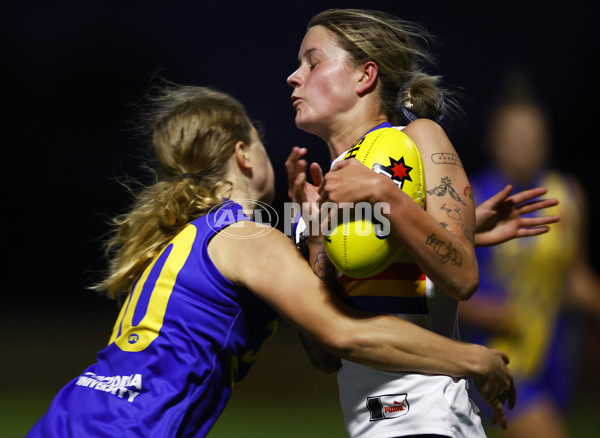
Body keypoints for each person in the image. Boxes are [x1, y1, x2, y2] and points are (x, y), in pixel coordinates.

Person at [26, 84, 516, 438]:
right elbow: (341, 331)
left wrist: (449, 226)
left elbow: (326, 261)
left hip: (73, 419)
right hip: (126, 430)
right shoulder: (248, 237)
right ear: (243, 156)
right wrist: (471, 358)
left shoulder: (188, 235)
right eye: (260, 141)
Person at [285, 9, 557, 438]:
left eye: (312, 62)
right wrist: (314, 233)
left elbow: (463, 277)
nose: (293, 77)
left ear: (364, 76)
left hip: (431, 420)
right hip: (367, 427)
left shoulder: (419, 139)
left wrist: (386, 195)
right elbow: (325, 353)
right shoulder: (320, 190)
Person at [458, 73, 600, 438]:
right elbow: (440, 288)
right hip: (500, 360)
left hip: (554, 355)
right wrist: (484, 309)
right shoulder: (472, 197)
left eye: (532, 136)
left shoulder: (567, 194)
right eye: (514, 136)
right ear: (494, 140)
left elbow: (574, 279)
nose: (524, 144)